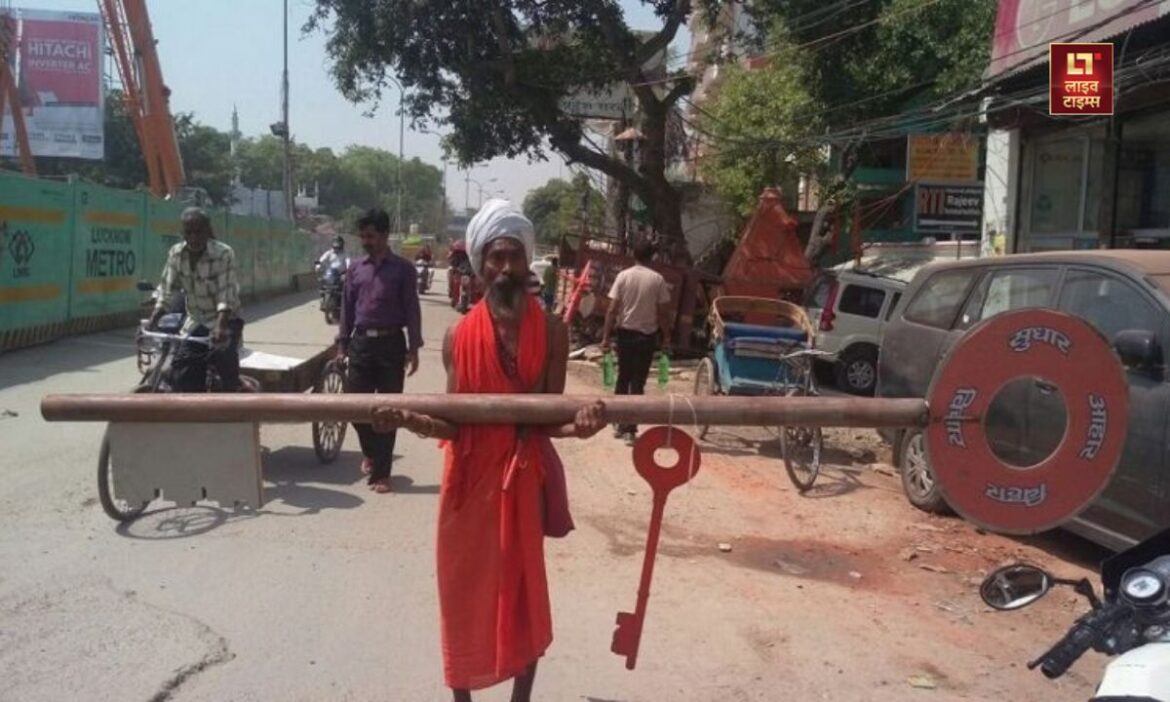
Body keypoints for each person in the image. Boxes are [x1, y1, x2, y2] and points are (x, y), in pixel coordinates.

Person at [370, 199, 606, 702]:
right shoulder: (459, 335)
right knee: (461, 592)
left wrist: (580, 427)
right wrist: (410, 419)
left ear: (527, 262)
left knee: (521, 595)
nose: (504, 268)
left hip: (523, 480)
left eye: (513, 256)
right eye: (495, 257)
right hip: (466, 481)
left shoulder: (554, 332)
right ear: (480, 265)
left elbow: (548, 420)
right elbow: (453, 423)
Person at [336, 208, 422, 493]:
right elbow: (347, 309)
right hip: (361, 344)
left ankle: (382, 474)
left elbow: (412, 308)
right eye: (363, 236)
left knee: (388, 411)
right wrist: (342, 345)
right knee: (354, 407)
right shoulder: (355, 269)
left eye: (371, 236)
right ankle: (372, 452)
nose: (366, 241)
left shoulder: (403, 270)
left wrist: (414, 347)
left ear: (385, 236)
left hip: (391, 345)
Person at [149, 207, 244, 392]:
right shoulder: (176, 253)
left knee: (225, 365)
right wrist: (154, 318)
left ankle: (234, 396)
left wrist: (220, 326)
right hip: (195, 321)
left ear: (208, 230)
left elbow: (226, 293)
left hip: (226, 320)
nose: (193, 238)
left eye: (198, 232)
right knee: (182, 374)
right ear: (182, 232)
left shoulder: (223, 253)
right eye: (188, 233)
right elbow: (167, 289)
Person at [600, 239, 672, 443]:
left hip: (625, 335)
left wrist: (605, 337)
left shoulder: (623, 276)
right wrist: (666, 337)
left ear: (634, 255)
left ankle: (618, 422)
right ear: (652, 257)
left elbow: (612, 310)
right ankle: (630, 429)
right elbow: (663, 313)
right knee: (638, 382)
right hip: (647, 337)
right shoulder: (657, 280)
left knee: (623, 377)